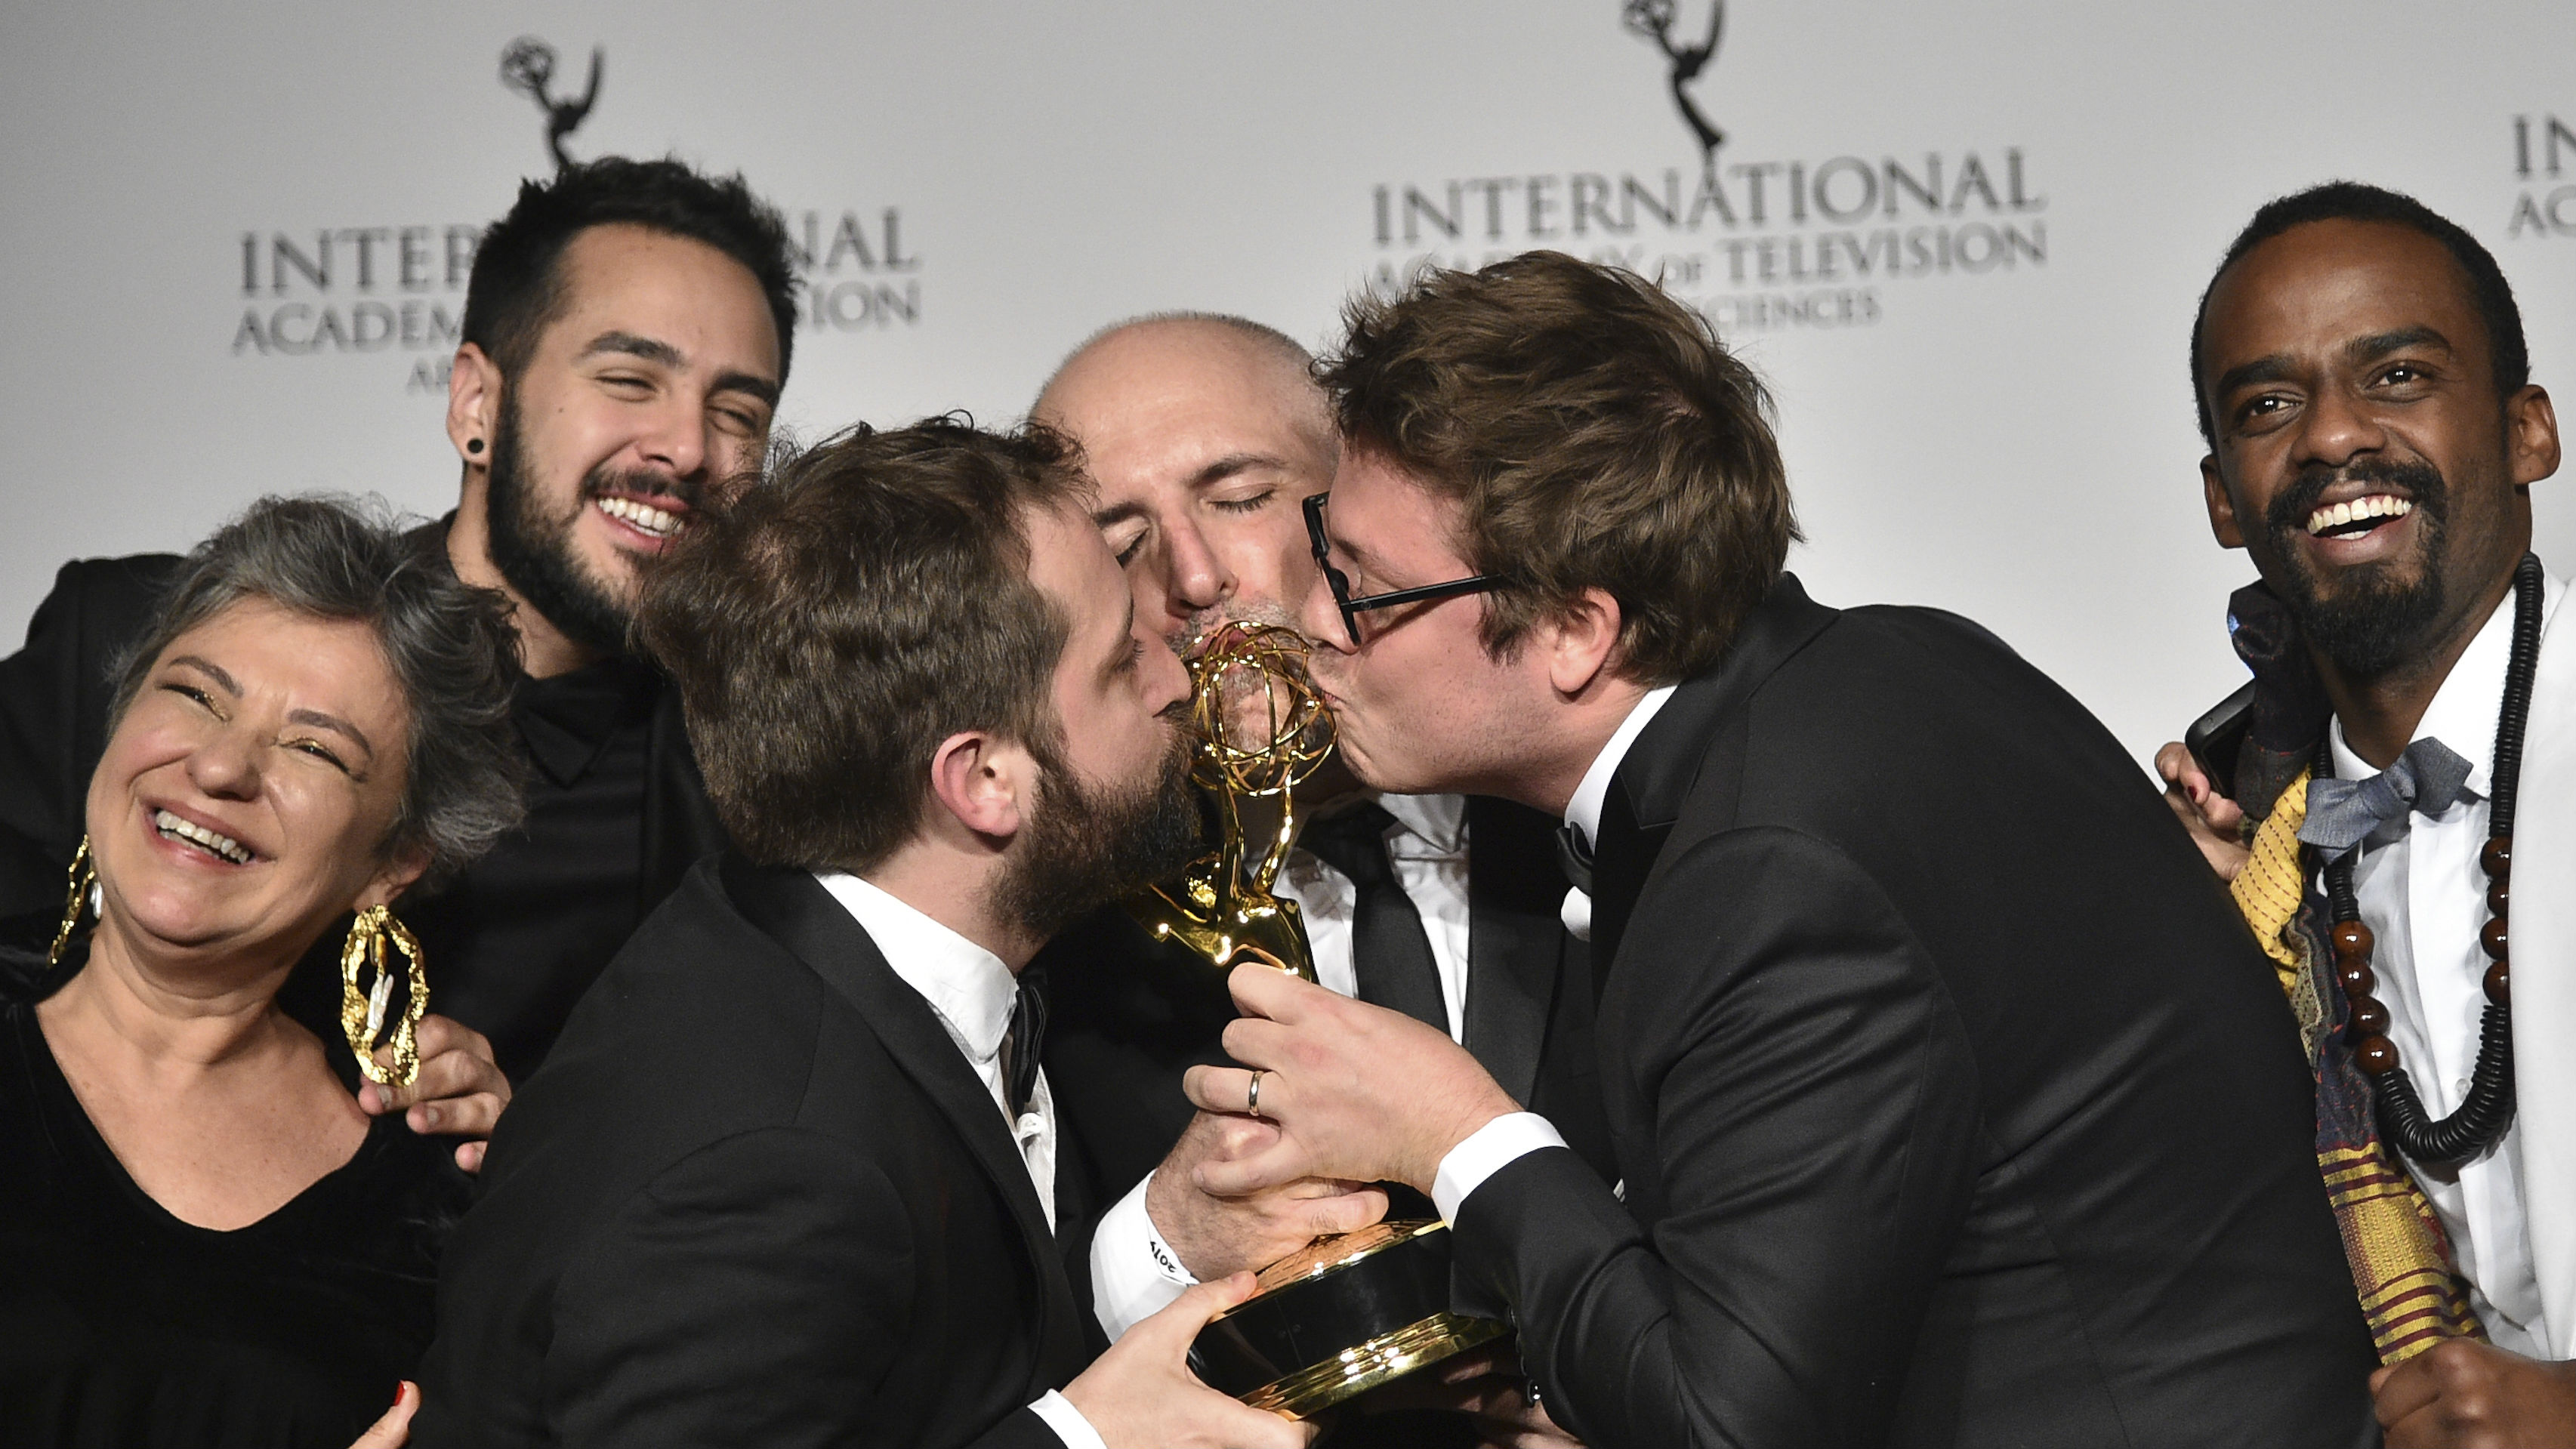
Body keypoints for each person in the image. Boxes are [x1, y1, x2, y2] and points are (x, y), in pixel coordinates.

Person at [1174, 251, 2381, 1447]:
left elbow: (1727, 1427)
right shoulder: (1891, 664)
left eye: (1360, 585)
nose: (1309, 624)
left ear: (1572, 630)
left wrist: (1456, 1133)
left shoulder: (1767, 863)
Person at [412, 418, 1313, 1449]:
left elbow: (929, 1361)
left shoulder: (786, 942)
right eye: (1121, 662)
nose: (1177, 676)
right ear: (981, 780)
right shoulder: (772, 1166)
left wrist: (1156, 1243)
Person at [0, 154, 800, 1084]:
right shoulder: (121, 650)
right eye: (629, 379)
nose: (689, 446)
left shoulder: (757, 791)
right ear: (477, 404)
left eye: (738, 411)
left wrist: (525, 1163)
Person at [1030, 313, 1603, 1445]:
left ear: (1361, 491)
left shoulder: (1590, 795)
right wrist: (1160, 1237)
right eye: (1118, 536)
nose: (1192, 577)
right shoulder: (1063, 916)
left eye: (1238, 495)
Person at [2156, 181, 2576, 1447]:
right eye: (2269, 404)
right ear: (2225, 497)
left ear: (2525, 431)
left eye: (2395, 374)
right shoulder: (2274, 870)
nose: (2334, 436)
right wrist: (2195, 976)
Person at [0, 496, 524, 1447]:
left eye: (314, 747)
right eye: (197, 694)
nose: (222, 767)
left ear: (393, 862)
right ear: (119, 719)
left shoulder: (439, 1196)